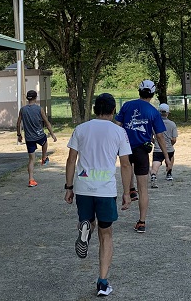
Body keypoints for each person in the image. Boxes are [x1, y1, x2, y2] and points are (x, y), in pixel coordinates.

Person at [65, 93, 133, 297]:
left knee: (87, 220)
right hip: (105, 189)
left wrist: (68, 187)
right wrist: (128, 192)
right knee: (107, 234)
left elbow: (71, 160)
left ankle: (85, 228)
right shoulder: (119, 132)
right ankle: (102, 282)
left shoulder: (81, 129)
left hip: (83, 186)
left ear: (95, 110)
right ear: (113, 111)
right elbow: (126, 164)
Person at [114, 80, 173, 234]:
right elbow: (160, 136)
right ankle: (141, 222)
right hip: (142, 151)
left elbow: (117, 125)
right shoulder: (153, 111)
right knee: (144, 189)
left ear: (139, 91)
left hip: (125, 148)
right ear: (152, 94)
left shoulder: (127, 105)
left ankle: (128, 192)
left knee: (126, 169)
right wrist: (166, 158)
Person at [17, 89, 58, 187]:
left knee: (31, 159)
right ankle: (44, 157)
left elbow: (18, 123)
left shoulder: (22, 110)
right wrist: (52, 134)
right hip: (39, 135)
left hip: (29, 137)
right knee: (44, 141)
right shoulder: (39, 109)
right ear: (36, 98)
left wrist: (19, 135)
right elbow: (46, 122)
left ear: (27, 98)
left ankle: (31, 180)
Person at [150, 103, 178, 188]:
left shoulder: (154, 124)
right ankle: (169, 173)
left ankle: (154, 174)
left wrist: (155, 142)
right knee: (171, 156)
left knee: (155, 164)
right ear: (168, 113)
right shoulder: (172, 124)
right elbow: (174, 139)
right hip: (169, 148)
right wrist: (170, 144)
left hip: (158, 149)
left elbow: (151, 138)